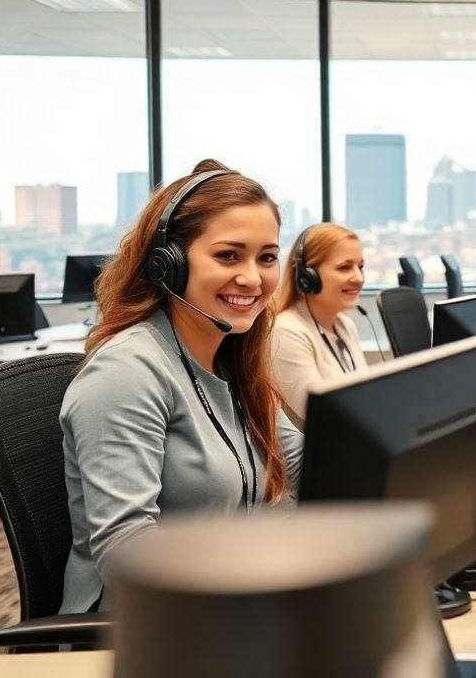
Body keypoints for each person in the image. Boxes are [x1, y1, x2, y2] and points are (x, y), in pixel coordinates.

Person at [59, 160, 303, 614]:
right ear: (166, 263)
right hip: (136, 633)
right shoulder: (127, 372)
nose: (252, 278)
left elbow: (305, 463)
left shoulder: (232, 361)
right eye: (228, 255)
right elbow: (127, 554)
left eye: (266, 257)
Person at [270, 223, 368, 430]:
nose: (358, 278)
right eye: (344, 267)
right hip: (318, 457)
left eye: (360, 266)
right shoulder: (285, 332)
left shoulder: (344, 324)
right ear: (307, 277)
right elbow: (326, 419)